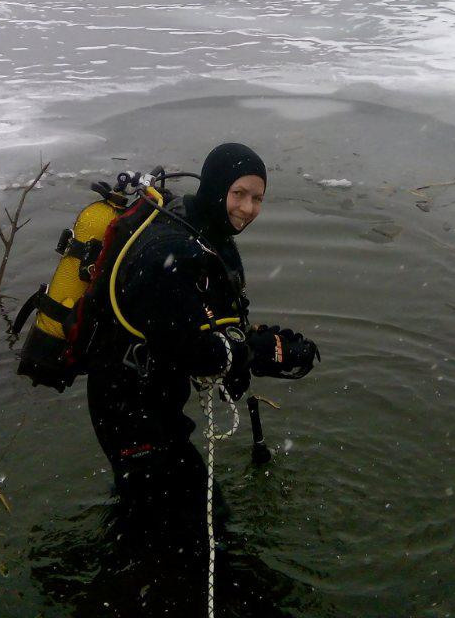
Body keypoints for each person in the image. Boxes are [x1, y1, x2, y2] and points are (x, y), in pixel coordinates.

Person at [84, 142, 319, 602]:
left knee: (163, 515)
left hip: (152, 401)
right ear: (214, 189)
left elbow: (214, 324)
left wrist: (260, 343)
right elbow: (198, 349)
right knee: (198, 532)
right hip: (129, 410)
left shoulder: (200, 230)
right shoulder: (170, 252)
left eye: (257, 198)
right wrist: (265, 354)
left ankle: (132, 565)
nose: (248, 209)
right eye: (239, 194)